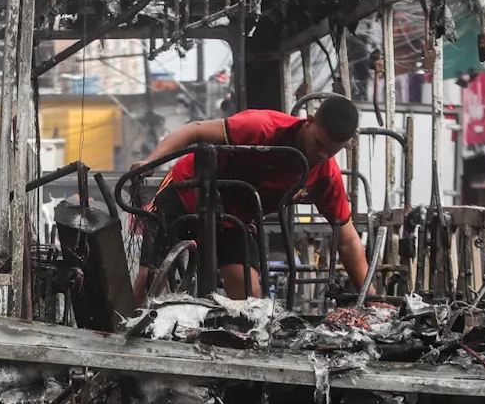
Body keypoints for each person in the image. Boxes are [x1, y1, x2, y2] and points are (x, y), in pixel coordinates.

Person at [133, 94, 369, 299]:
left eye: (330, 152)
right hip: (186, 190)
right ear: (308, 123)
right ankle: (129, 335)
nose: (321, 154)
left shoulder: (326, 176)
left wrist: (371, 298)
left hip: (232, 216)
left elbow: (347, 240)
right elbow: (194, 129)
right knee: (151, 277)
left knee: (248, 292)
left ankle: (238, 339)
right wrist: (151, 162)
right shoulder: (262, 126)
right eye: (318, 144)